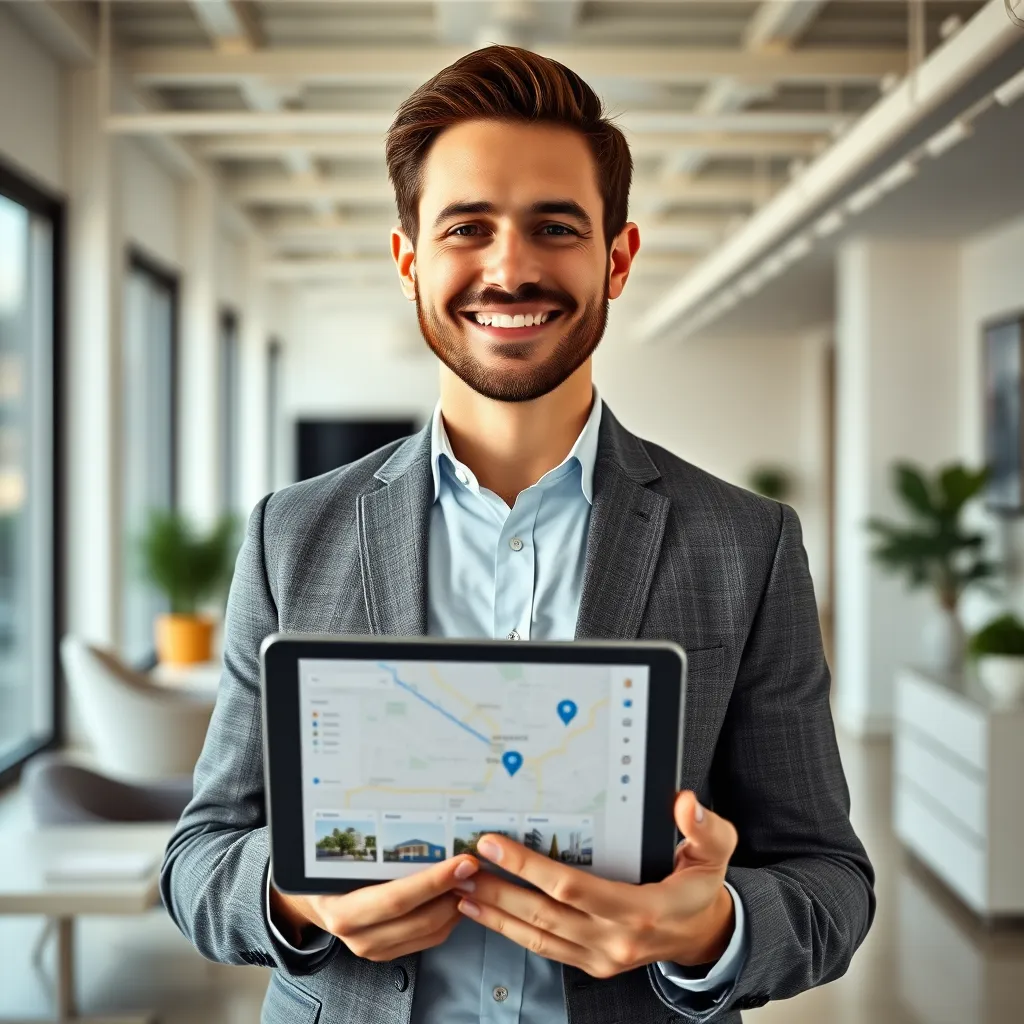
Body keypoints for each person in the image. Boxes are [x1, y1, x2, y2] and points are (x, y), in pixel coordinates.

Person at [161, 45, 874, 1024]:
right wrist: (297, 894)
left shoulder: (744, 542)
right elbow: (200, 857)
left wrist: (706, 928)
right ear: (410, 259)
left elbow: (829, 880)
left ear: (615, 259)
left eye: (554, 226)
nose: (510, 266)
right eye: (466, 227)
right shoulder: (294, 533)